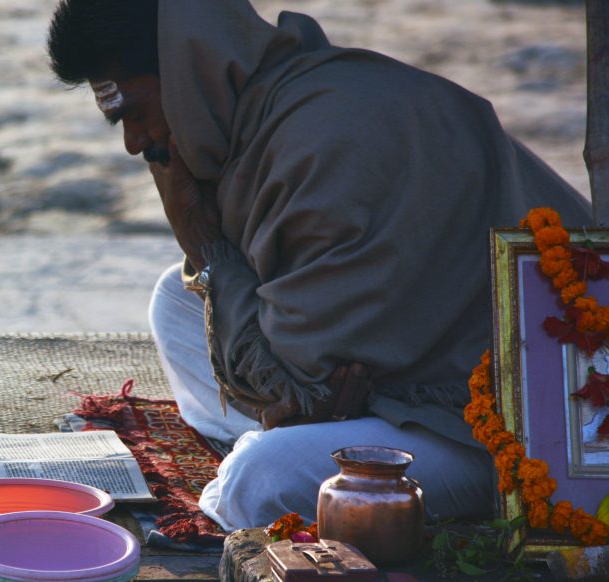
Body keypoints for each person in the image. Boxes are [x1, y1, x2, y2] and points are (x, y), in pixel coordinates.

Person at [46, 0, 594, 531]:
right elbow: (304, 384)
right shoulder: (275, 105)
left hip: (518, 430)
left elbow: (293, 386)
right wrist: (307, 397)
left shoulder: (313, 147)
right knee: (174, 298)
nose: (133, 142)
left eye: (134, 114)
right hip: (404, 374)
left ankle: (235, 487)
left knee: (258, 480)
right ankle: (288, 434)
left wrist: (205, 245)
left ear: (188, 71)